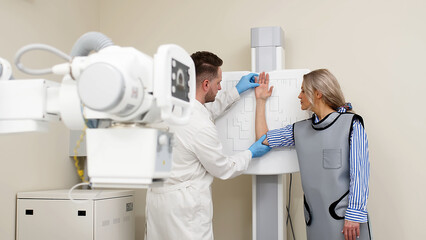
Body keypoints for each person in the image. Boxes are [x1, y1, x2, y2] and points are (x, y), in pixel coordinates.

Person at [145, 51, 271, 240]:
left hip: (158, 201)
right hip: (184, 211)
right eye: (218, 83)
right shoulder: (200, 127)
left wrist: (236, 91)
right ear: (205, 84)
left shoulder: (171, 107)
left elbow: (205, 110)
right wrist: (250, 153)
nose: (220, 87)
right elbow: (223, 168)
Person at [254, 70, 371, 240]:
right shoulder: (299, 130)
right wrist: (260, 100)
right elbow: (263, 139)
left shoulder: (351, 124)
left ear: (318, 93)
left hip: (346, 222)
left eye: (303, 90)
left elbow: (360, 174)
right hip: (315, 221)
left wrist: (354, 214)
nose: (299, 96)